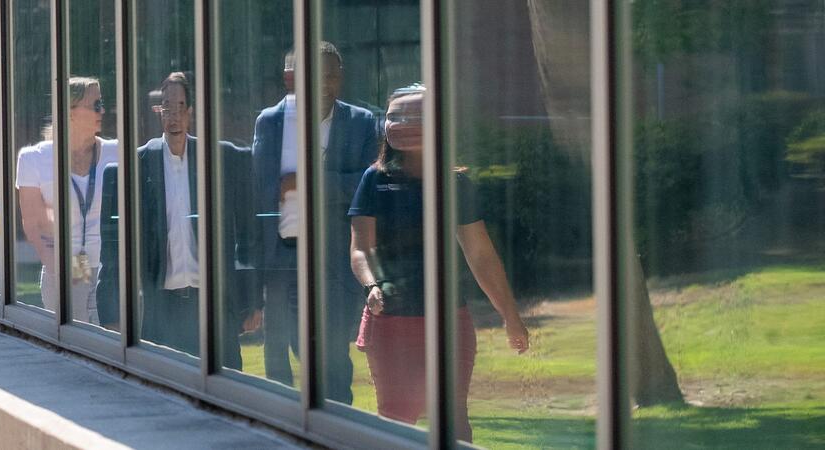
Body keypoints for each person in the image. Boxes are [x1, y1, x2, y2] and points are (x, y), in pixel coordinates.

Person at [347, 84, 529, 440]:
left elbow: (480, 255)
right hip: (390, 325)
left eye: (415, 116)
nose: (402, 123)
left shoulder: (455, 183)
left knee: (454, 424)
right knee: (397, 421)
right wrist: (372, 285)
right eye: (394, 116)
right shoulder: (375, 179)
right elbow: (360, 249)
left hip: (449, 324)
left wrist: (511, 317)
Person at [248, 42, 381, 400]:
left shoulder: (361, 123)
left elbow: (367, 186)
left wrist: (306, 181)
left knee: (331, 360)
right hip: (283, 259)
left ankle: (336, 431)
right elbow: (262, 194)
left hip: (333, 261)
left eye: (332, 76)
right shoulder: (272, 121)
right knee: (281, 361)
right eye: (317, 76)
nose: (325, 84)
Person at [99, 72, 254, 356]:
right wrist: (110, 311)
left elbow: (247, 233)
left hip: (213, 307)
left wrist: (251, 302)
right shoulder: (135, 168)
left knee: (223, 392)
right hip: (162, 311)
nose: (173, 115)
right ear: (159, 112)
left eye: (180, 106)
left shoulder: (222, 160)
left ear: (191, 111)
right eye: (166, 107)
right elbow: (113, 247)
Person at [17, 77, 121, 325]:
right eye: (95, 105)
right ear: (71, 112)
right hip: (62, 273)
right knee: (75, 351)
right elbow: (34, 226)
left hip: (109, 273)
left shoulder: (117, 152)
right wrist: (62, 270)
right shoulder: (33, 159)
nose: (102, 111)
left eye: (102, 103)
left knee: (110, 353)